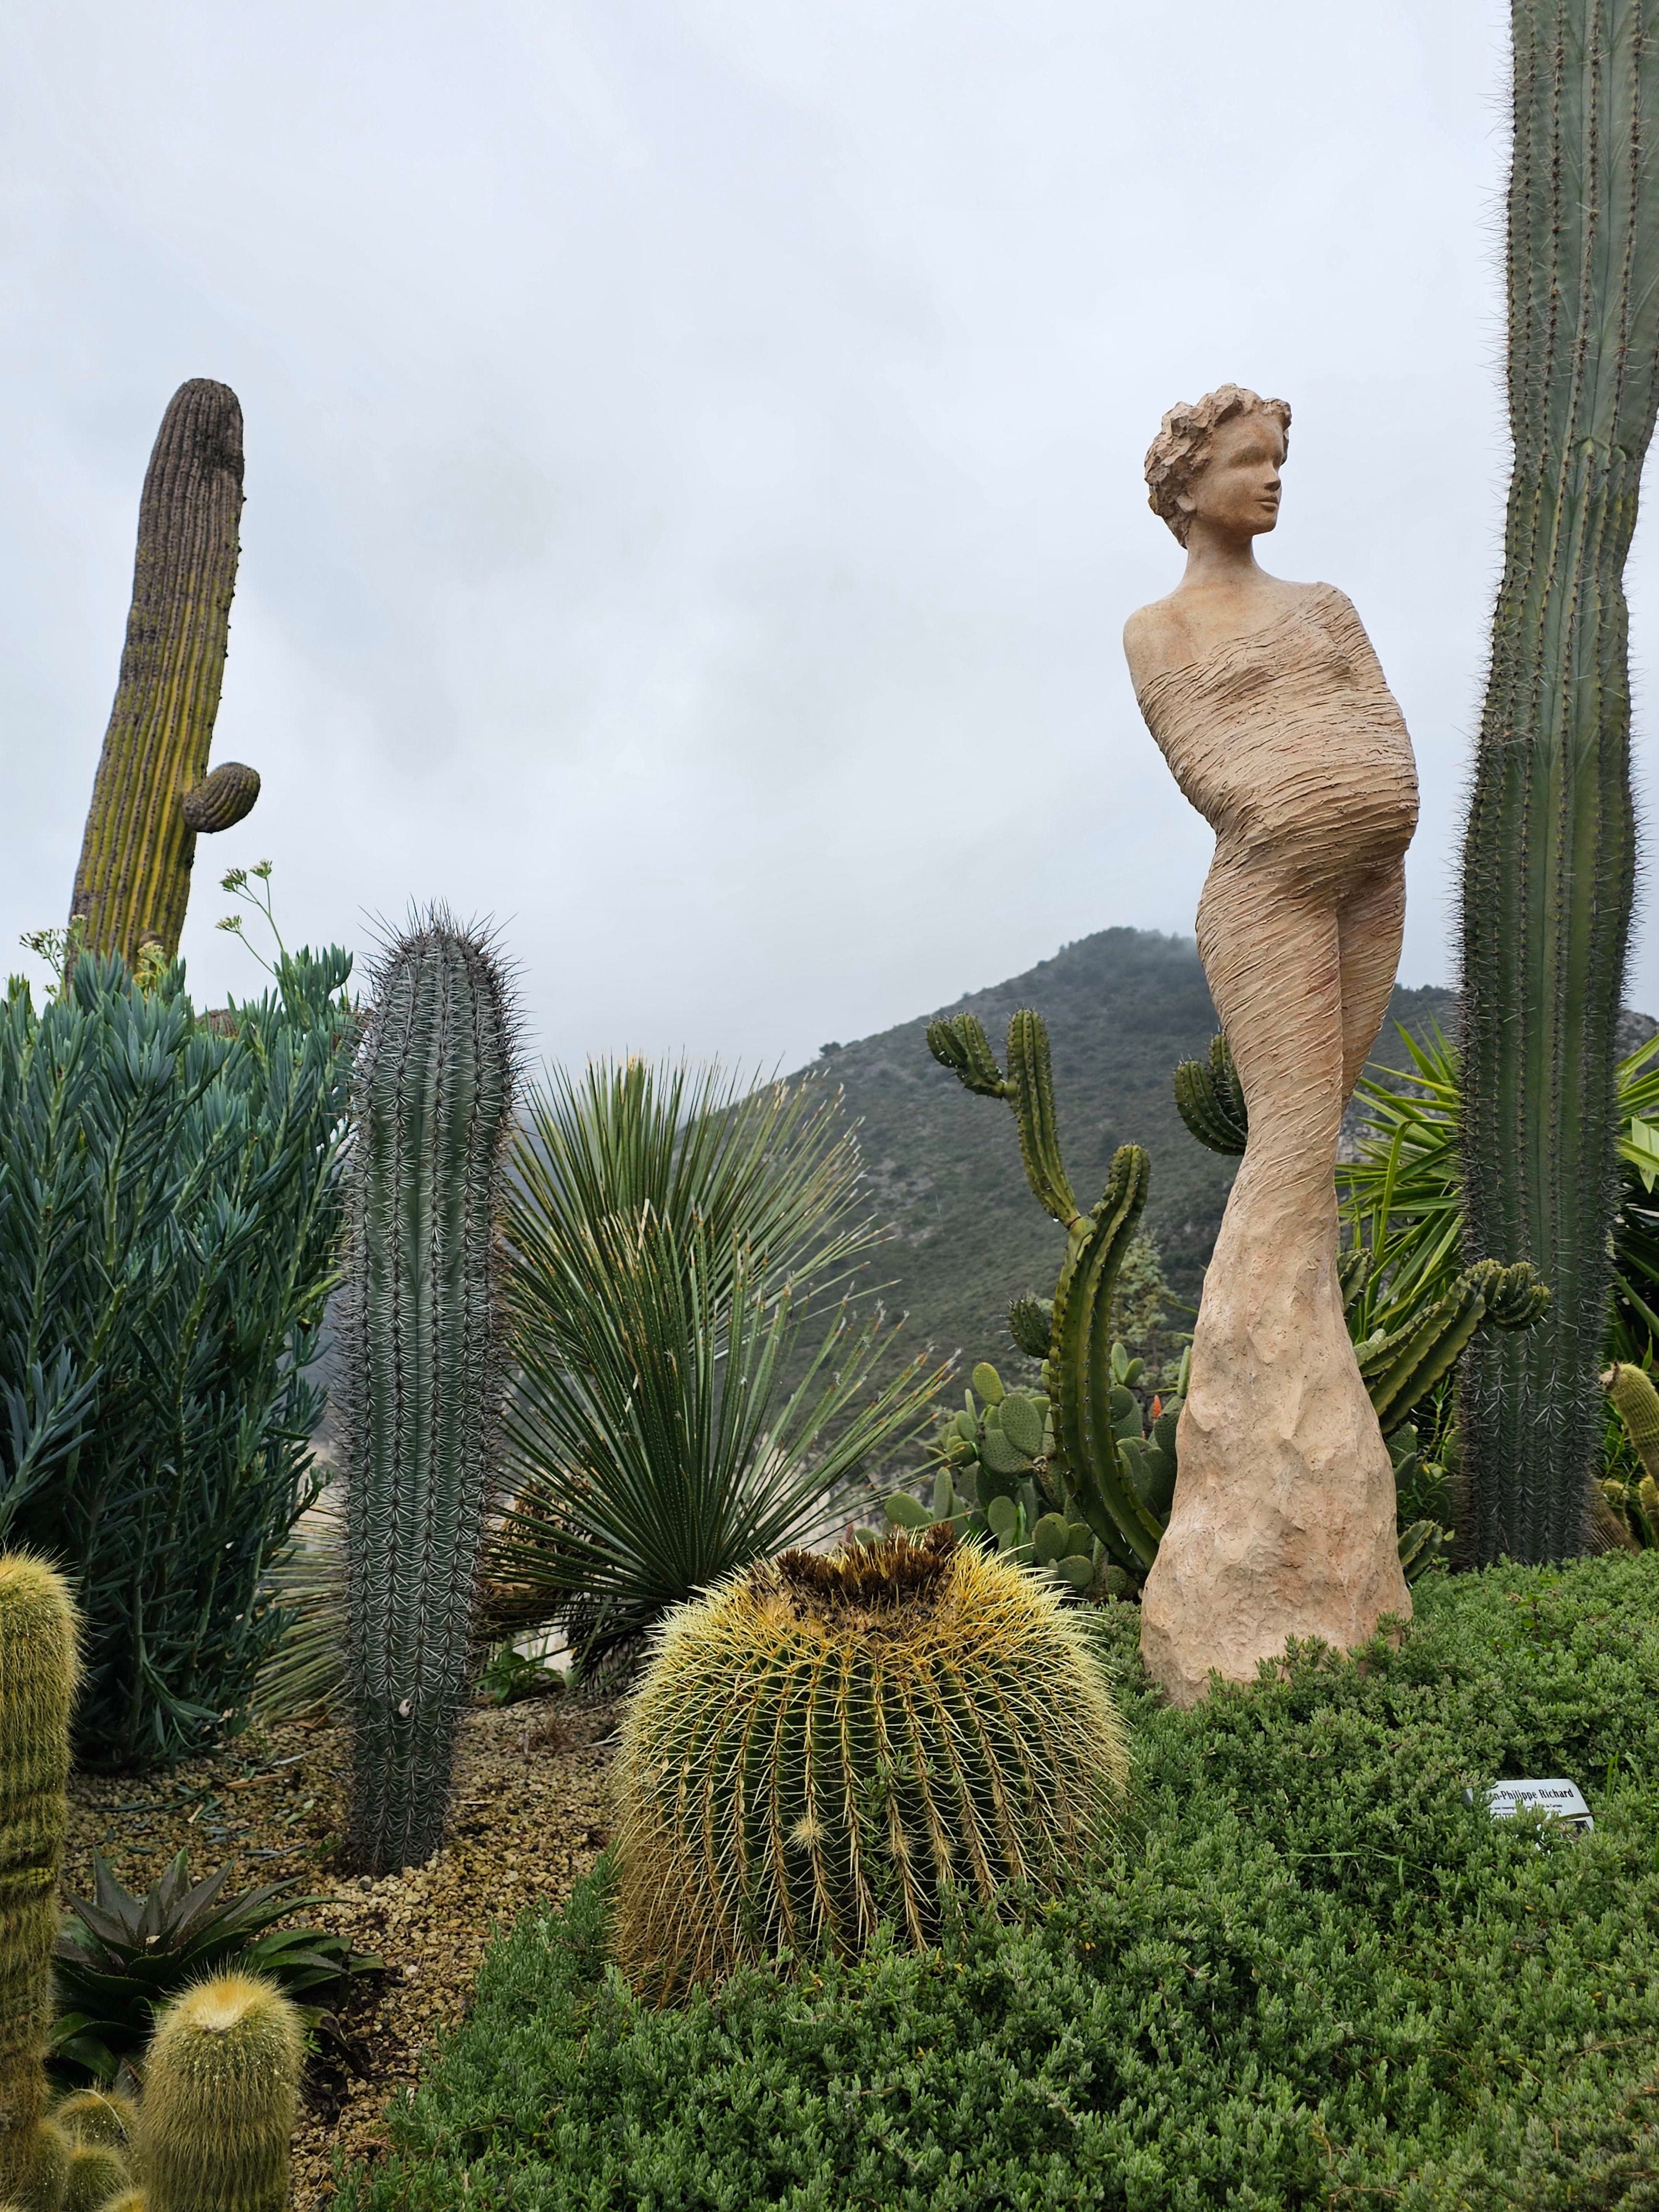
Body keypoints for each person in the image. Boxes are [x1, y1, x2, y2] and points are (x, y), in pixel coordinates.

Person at [1124, 385, 1417, 1705]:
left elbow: (1378, 725)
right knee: (1292, 1148)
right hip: (1271, 889)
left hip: (1369, 878)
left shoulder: (1329, 605)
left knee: (1317, 1155)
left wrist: (1350, 788)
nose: (1274, 481)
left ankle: (1316, 1485)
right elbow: (1216, 768)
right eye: (1250, 462)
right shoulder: (1161, 629)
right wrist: (1314, 787)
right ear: (1189, 485)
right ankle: (1261, 1476)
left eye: (1281, 462)